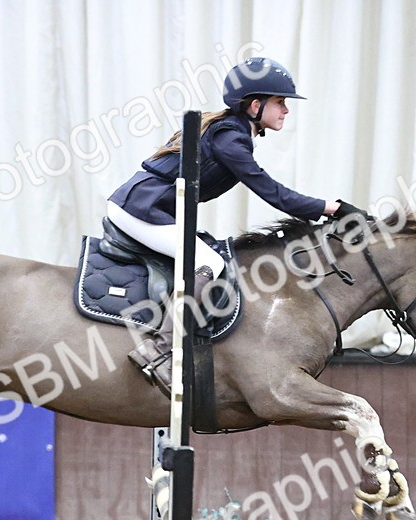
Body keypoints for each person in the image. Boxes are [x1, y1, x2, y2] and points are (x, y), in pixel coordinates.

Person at [108, 56, 366, 394]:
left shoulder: (232, 132)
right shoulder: (230, 138)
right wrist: (333, 208)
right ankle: (159, 350)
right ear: (256, 105)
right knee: (209, 263)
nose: (286, 110)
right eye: (280, 102)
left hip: (150, 207)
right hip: (141, 209)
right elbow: (273, 193)